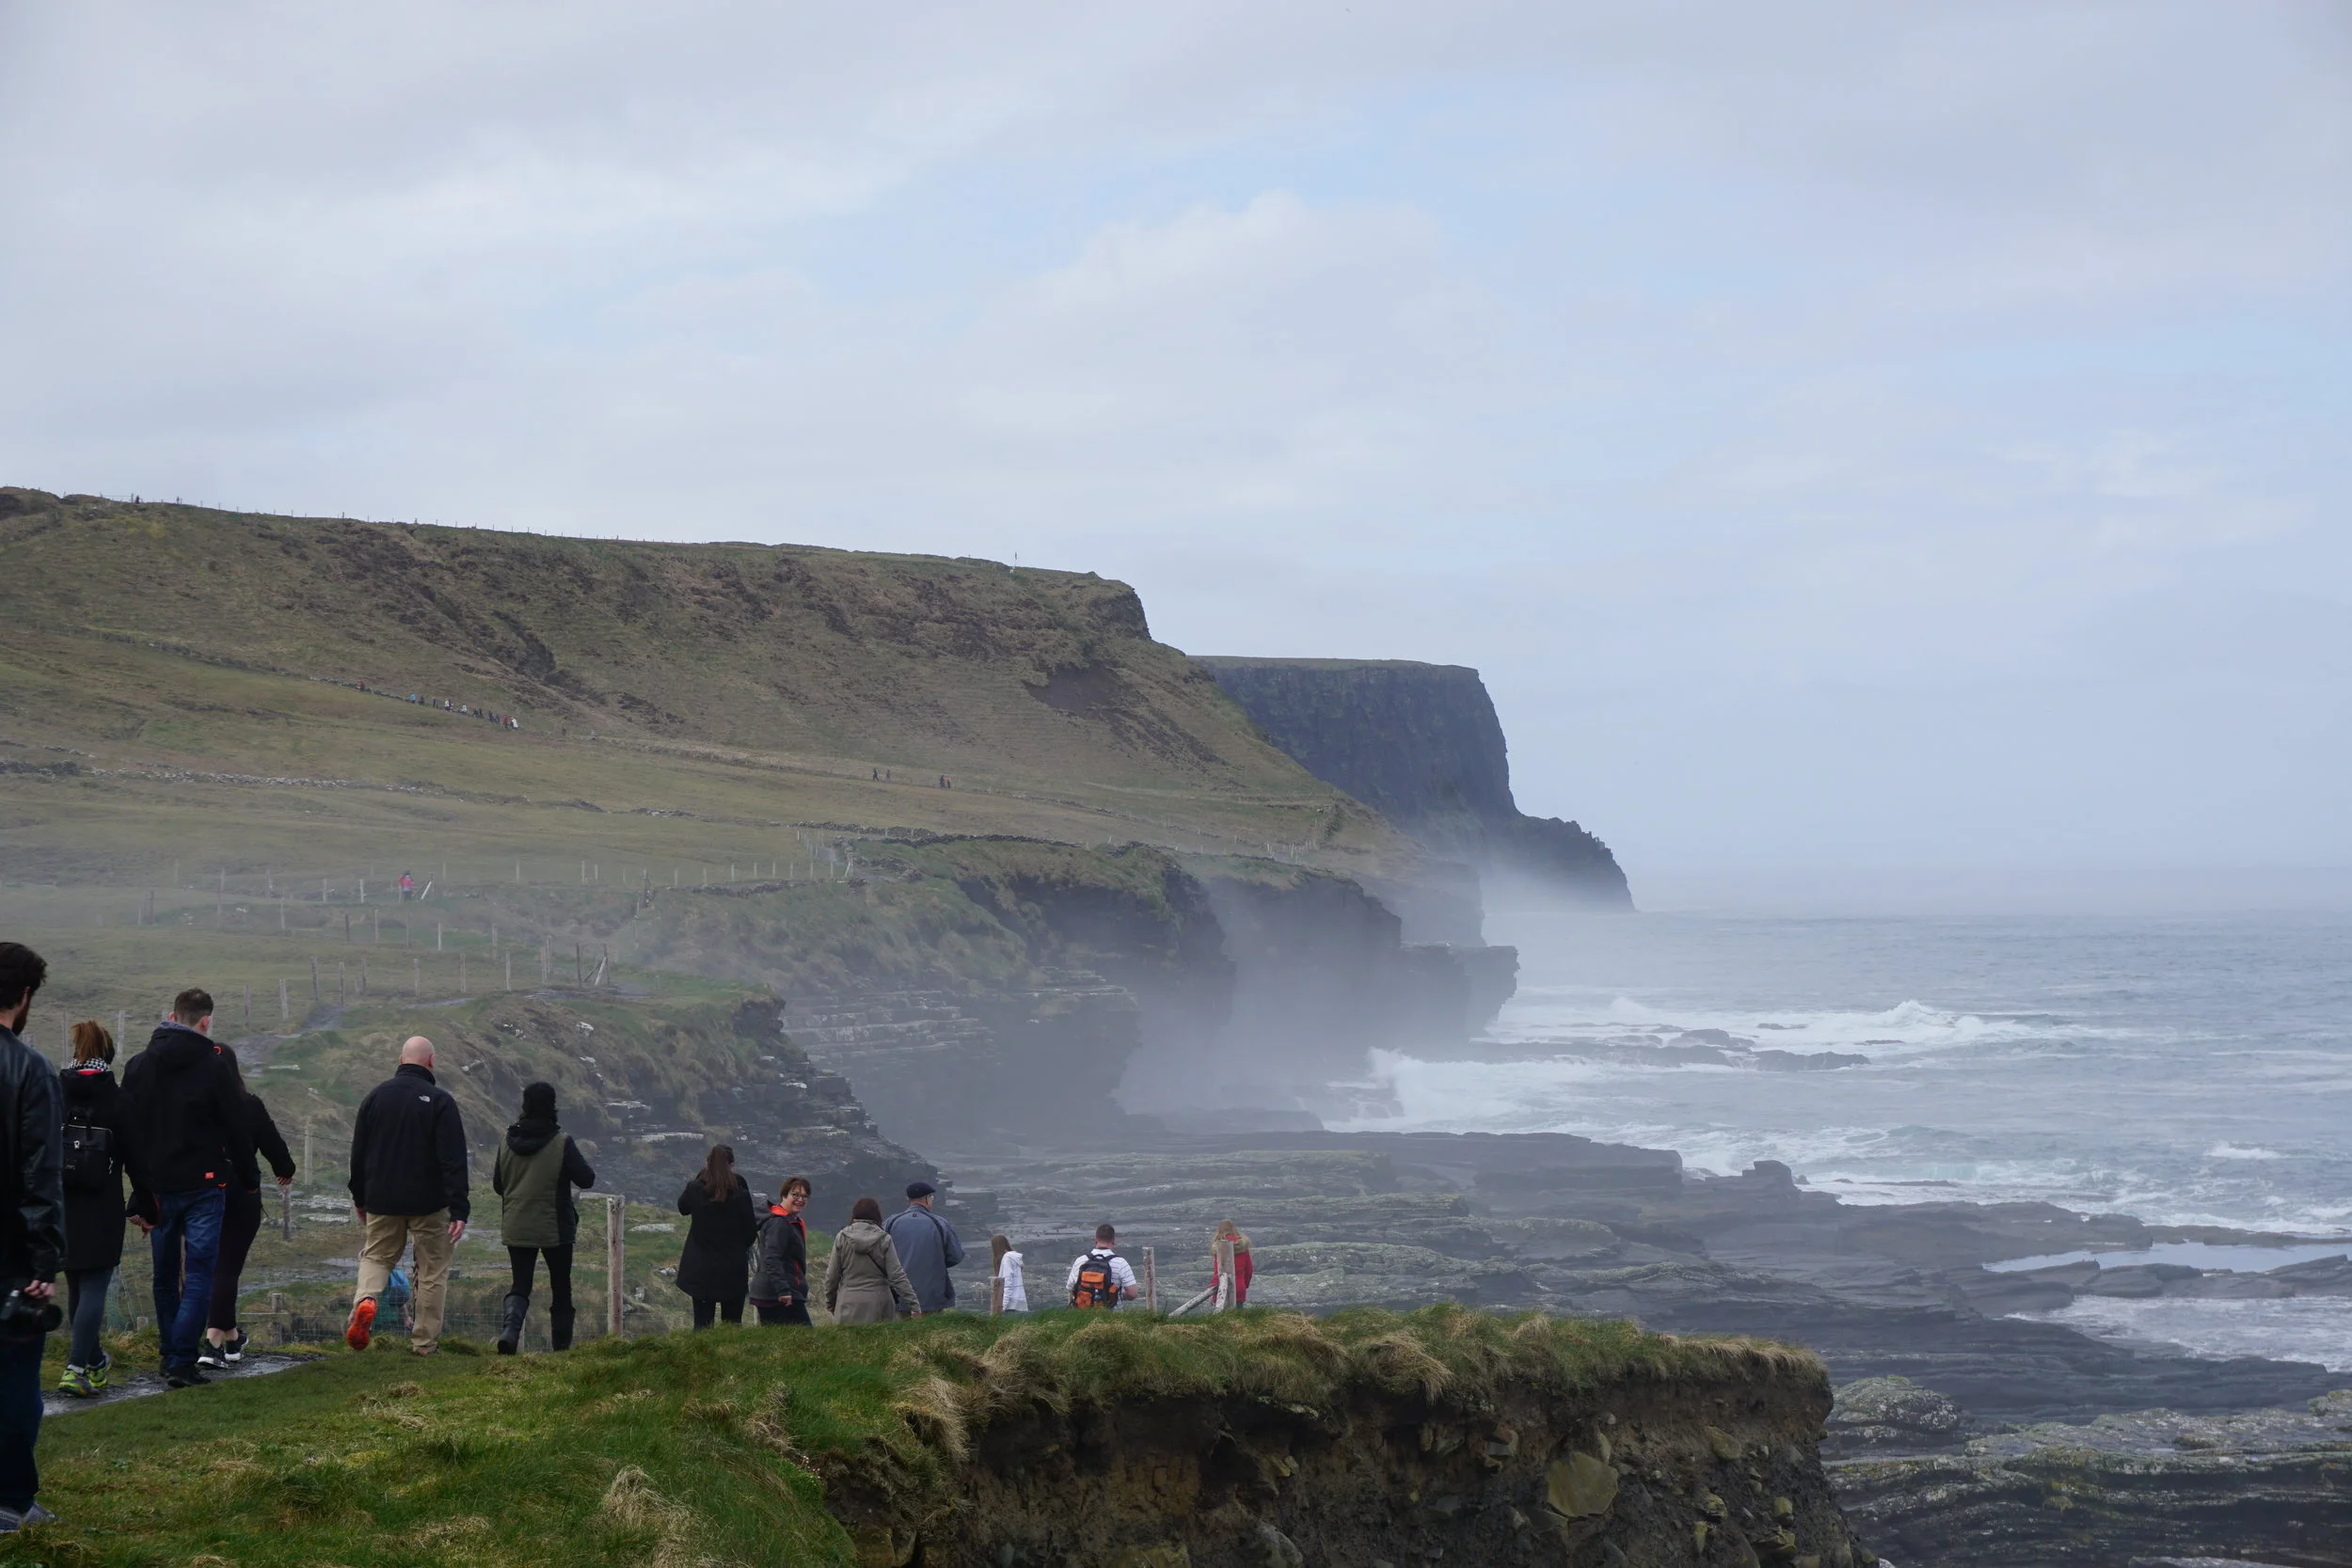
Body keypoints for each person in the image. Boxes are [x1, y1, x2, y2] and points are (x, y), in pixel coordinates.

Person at [121, 989, 258, 1386]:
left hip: (158, 1187)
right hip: (204, 1186)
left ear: (171, 1015)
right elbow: (235, 1129)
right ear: (205, 1021)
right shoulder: (214, 1068)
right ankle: (181, 1356)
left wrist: (137, 1188)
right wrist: (248, 1179)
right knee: (199, 1273)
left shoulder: (138, 1066)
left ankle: (171, 1353)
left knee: (164, 1274)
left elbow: (130, 1132)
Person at [345, 1036, 469, 1356]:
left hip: (382, 1198)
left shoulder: (375, 1097)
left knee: (376, 1256)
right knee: (431, 1270)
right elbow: (452, 1160)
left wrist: (360, 1198)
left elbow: (358, 1154)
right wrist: (459, 1208)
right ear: (431, 1062)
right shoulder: (440, 1101)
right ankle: (424, 1343)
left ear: (400, 1061)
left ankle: (367, 1299)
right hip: (429, 1203)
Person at [0, 944, 62, 1533]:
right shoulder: (29, 1069)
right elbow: (40, 1170)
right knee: (15, 1377)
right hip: (10, 1254)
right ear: (23, 998)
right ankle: (12, 1499)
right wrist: (44, 1255)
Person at [197, 1048, 295, 1370]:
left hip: (200, 1192)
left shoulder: (195, 1105)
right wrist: (285, 1168)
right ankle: (212, 1342)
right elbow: (273, 1145)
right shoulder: (249, 1105)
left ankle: (233, 1338)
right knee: (227, 1268)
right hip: (241, 1194)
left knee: (214, 1267)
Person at [56, 1021, 132, 1399]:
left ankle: (95, 1361)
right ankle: (74, 1368)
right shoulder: (115, 1097)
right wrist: (145, 1201)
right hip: (102, 1203)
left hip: (63, 1202)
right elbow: (134, 1154)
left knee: (76, 1284)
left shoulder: (57, 1092)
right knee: (95, 1285)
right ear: (108, 1052)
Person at [492, 1081, 596, 1354]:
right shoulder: (562, 1143)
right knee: (561, 1286)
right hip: (556, 1227)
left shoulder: (506, 1141)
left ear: (524, 1106)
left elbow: (498, 1185)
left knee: (520, 1284)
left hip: (517, 1225)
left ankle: (510, 1334)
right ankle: (561, 1349)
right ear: (552, 1107)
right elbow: (587, 1179)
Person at [675, 1144, 755, 1328]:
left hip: (701, 1269)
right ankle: (732, 1355)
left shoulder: (695, 1188)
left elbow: (683, 1208)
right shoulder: (740, 1191)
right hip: (733, 1267)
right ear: (732, 1164)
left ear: (707, 1163)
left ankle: (704, 1356)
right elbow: (750, 1232)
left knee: (702, 1326)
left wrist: (700, 1177)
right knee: (733, 1323)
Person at [824, 1197, 918, 1324]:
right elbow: (897, 1275)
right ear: (877, 1215)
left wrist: (830, 1302)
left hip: (848, 1303)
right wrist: (914, 1304)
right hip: (880, 1304)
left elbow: (832, 1275)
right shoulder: (884, 1239)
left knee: (847, 1343)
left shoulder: (842, 1237)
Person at [882, 1180, 963, 1316]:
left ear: (908, 1199)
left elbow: (880, 1255)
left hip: (898, 1294)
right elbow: (955, 1256)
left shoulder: (891, 1223)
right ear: (927, 1199)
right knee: (930, 1332)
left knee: (901, 1333)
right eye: (932, 1197)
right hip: (932, 1296)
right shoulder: (939, 1223)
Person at [749, 1176, 812, 1325]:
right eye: (795, 1195)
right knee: (806, 1341)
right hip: (779, 1295)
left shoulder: (788, 1220)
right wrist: (783, 1290)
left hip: (776, 1292)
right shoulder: (779, 1223)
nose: (800, 1199)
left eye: (804, 1196)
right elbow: (771, 1258)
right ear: (784, 1195)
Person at [1067, 1224, 1137, 1309]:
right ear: (1113, 1241)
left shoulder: (1080, 1261)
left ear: (1095, 1240)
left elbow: (1071, 1288)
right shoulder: (1121, 1263)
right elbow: (1132, 1294)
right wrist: (1116, 1295)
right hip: (1113, 1316)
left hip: (1083, 1315)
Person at [1210, 1219, 1253, 1308]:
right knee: (1239, 1318)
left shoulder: (1219, 1247)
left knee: (1221, 1319)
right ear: (1233, 1229)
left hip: (1223, 1290)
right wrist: (1244, 1285)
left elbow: (1217, 1274)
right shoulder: (1243, 1247)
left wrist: (1213, 1295)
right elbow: (1249, 1270)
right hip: (1240, 1288)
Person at [991, 1234, 1027, 1313]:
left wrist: (1003, 1306)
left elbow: (1007, 1284)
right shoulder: (1013, 1258)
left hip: (1011, 1305)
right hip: (1019, 1301)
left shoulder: (1007, 1258)